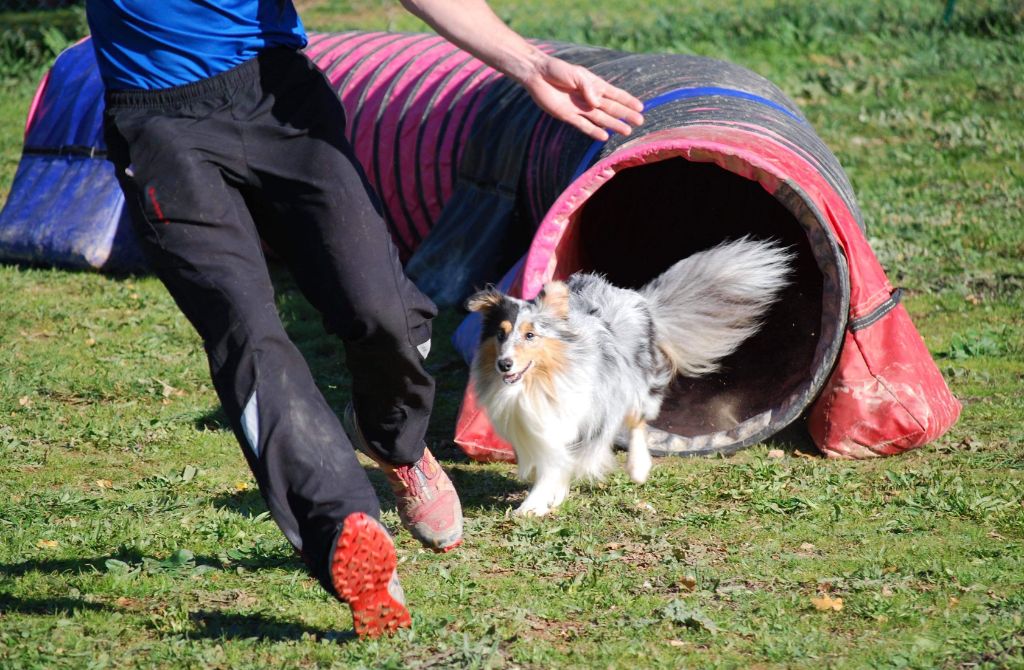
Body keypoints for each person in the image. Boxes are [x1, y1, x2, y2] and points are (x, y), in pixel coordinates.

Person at [85, 0, 643, 638]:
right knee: (248, 336)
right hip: (158, 124)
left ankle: (395, 441)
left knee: (385, 313)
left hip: (276, 97)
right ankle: (345, 532)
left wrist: (532, 62)